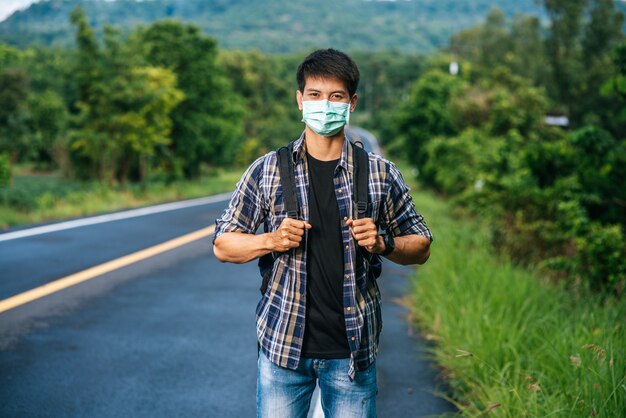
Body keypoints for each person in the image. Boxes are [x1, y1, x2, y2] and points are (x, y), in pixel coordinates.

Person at [213, 48, 432, 418]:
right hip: (283, 348)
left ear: (352, 103)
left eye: (336, 96)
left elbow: (422, 244)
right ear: (300, 100)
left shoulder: (379, 173)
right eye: (315, 95)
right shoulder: (267, 170)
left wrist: (384, 242)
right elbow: (223, 244)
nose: (324, 105)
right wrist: (271, 240)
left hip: (352, 352)